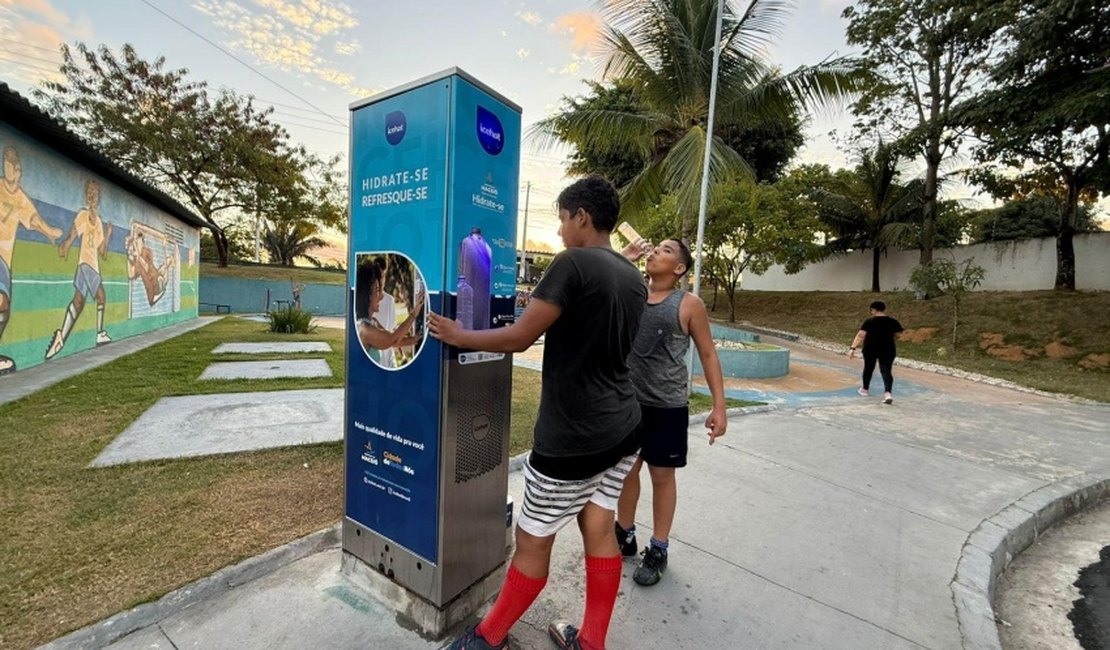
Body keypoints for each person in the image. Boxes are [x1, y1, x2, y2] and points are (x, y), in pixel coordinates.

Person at [430, 175, 646, 650]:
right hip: (623, 430)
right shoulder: (633, 277)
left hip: (572, 437)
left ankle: (486, 639)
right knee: (598, 525)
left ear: (582, 217)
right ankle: (590, 642)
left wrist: (458, 334)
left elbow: (520, 337)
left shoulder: (573, 263)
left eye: (563, 221)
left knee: (532, 543)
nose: (561, 231)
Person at [614, 237, 728, 587]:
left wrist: (719, 406)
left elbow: (708, 354)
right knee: (625, 470)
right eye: (655, 248)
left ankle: (659, 547)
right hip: (626, 401)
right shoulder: (631, 290)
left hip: (666, 406)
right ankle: (625, 532)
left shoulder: (688, 303)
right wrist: (624, 258)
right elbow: (600, 283)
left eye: (664, 250)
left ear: (679, 268)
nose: (655, 253)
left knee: (662, 477)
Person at [1, 145, 62, 374]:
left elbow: (34, 220)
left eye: (11, 168)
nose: (8, 172)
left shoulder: (21, 199)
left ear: (18, 172)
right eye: (5, 167)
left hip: (5, 261)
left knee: (4, 307)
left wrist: (50, 233)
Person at [46, 180, 113, 360]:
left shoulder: (98, 222)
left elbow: (103, 253)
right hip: (86, 264)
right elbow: (73, 233)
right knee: (101, 295)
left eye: (94, 193)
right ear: (86, 196)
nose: (91, 196)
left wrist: (107, 236)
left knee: (78, 302)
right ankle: (99, 333)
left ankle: (61, 336)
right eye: (89, 193)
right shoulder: (83, 215)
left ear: (98, 198)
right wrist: (65, 246)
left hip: (92, 265)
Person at [354, 258, 423, 365]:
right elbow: (393, 339)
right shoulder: (366, 330)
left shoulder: (373, 322)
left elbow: (395, 340)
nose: (380, 296)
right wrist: (414, 314)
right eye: (377, 290)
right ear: (367, 295)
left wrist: (416, 339)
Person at [848, 300, 904, 405]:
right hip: (888, 349)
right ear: (883, 309)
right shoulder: (893, 321)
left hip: (870, 349)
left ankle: (865, 389)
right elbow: (898, 334)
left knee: (868, 368)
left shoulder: (869, 322)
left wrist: (853, 348)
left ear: (873, 310)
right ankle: (888, 393)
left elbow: (861, 335)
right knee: (886, 371)